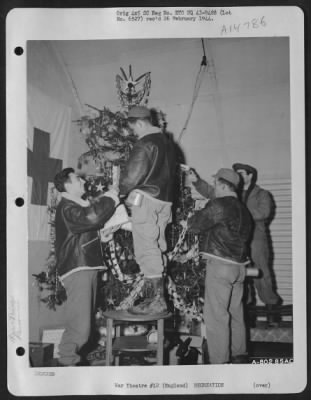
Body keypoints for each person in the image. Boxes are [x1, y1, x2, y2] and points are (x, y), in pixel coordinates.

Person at [186, 168, 253, 364]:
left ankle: (219, 363)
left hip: (220, 267)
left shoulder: (220, 205)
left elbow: (194, 224)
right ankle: (239, 354)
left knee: (216, 317)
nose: (214, 188)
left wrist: (189, 218)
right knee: (236, 314)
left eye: (215, 184)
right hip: (239, 268)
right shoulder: (243, 210)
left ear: (224, 186)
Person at [54, 167, 119, 366]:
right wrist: (111, 197)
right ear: (67, 185)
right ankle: (67, 364)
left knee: (82, 325)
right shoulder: (67, 206)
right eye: (77, 179)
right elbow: (91, 218)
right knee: (80, 328)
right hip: (78, 267)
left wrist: (103, 235)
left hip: (83, 266)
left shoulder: (73, 206)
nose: (83, 182)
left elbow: (81, 232)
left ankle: (68, 363)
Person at [119, 106, 176, 314]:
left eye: (133, 128)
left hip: (147, 200)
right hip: (165, 202)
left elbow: (131, 177)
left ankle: (158, 300)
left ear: (140, 123)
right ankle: (157, 297)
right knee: (158, 246)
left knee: (146, 249)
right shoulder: (168, 144)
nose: (134, 133)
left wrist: (121, 193)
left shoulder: (145, 143)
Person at [232, 163, 282, 324]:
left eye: (240, 173)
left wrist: (241, 213)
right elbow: (212, 192)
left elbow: (264, 212)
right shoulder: (234, 194)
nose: (238, 177)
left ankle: (272, 314)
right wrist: (196, 181)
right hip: (239, 242)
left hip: (257, 241)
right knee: (243, 276)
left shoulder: (262, 194)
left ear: (250, 175)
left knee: (262, 275)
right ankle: (248, 316)